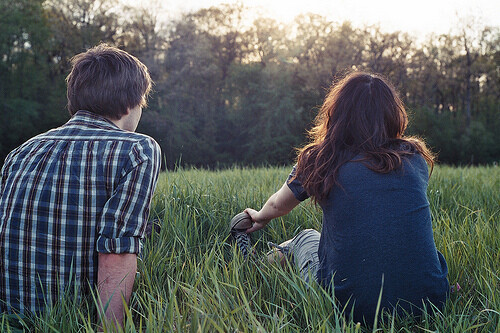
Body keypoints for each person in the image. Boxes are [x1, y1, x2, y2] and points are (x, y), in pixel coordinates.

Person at [241, 72, 449, 324]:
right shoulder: (413, 156)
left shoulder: (322, 160)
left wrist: (259, 217)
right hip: (430, 304)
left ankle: (251, 269)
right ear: (394, 115)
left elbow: (277, 205)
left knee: (304, 238)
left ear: (337, 114)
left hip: (347, 310)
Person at [0, 44, 161, 328]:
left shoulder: (20, 152)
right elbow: (116, 251)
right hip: (74, 322)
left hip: (9, 320)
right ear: (129, 105)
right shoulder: (138, 149)